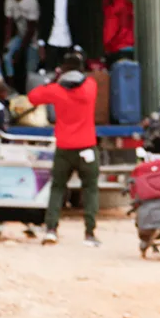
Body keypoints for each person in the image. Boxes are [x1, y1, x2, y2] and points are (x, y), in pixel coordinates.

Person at [27, 51, 100, 246]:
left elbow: (33, 97)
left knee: (58, 188)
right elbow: (84, 82)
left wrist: (53, 78)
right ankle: (89, 234)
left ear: (63, 70)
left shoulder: (56, 90)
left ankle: (51, 230)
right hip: (87, 147)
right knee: (90, 189)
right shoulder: (90, 87)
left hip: (64, 148)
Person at [4, 0, 41, 92]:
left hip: (33, 40)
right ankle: (10, 89)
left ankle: (31, 94)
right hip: (20, 36)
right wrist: (7, 43)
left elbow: (31, 30)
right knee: (6, 56)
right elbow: (9, 24)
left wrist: (19, 52)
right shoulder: (9, 0)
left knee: (30, 71)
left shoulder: (31, 1)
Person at [103, 0, 135, 66]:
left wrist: (109, 46)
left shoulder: (121, 5)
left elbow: (117, 28)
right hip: (119, 48)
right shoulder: (111, 5)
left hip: (121, 48)